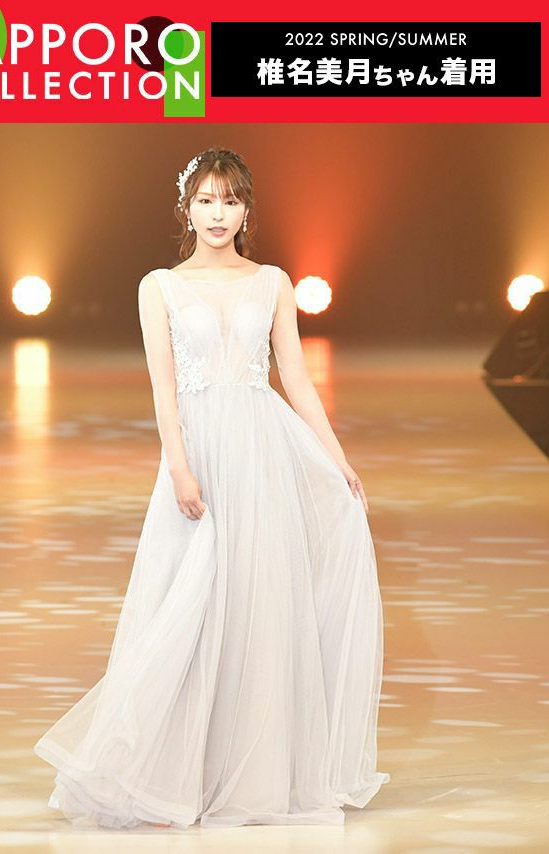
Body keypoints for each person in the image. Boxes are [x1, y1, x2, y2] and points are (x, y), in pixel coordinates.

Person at [34, 147, 390, 829]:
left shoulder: (273, 282)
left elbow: (296, 377)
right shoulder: (160, 287)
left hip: (263, 451)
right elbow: (163, 387)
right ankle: (167, 773)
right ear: (186, 208)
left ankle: (251, 775)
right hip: (199, 453)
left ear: (248, 209)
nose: (218, 213)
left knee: (259, 605)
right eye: (205, 200)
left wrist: (338, 458)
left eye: (230, 200)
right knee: (187, 607)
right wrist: (178, 465)